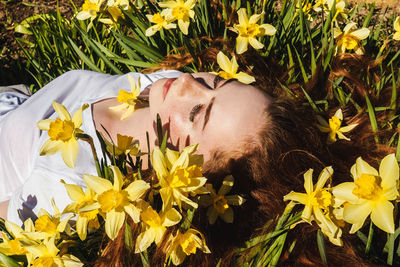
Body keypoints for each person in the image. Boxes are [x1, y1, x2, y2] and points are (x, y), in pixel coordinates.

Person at [0, 53, 392, 266]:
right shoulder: (165, 90)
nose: (188, 83)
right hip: (18, 101)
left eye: (195, 115)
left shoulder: (71, 185)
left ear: (190, 181)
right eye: (216, 82)